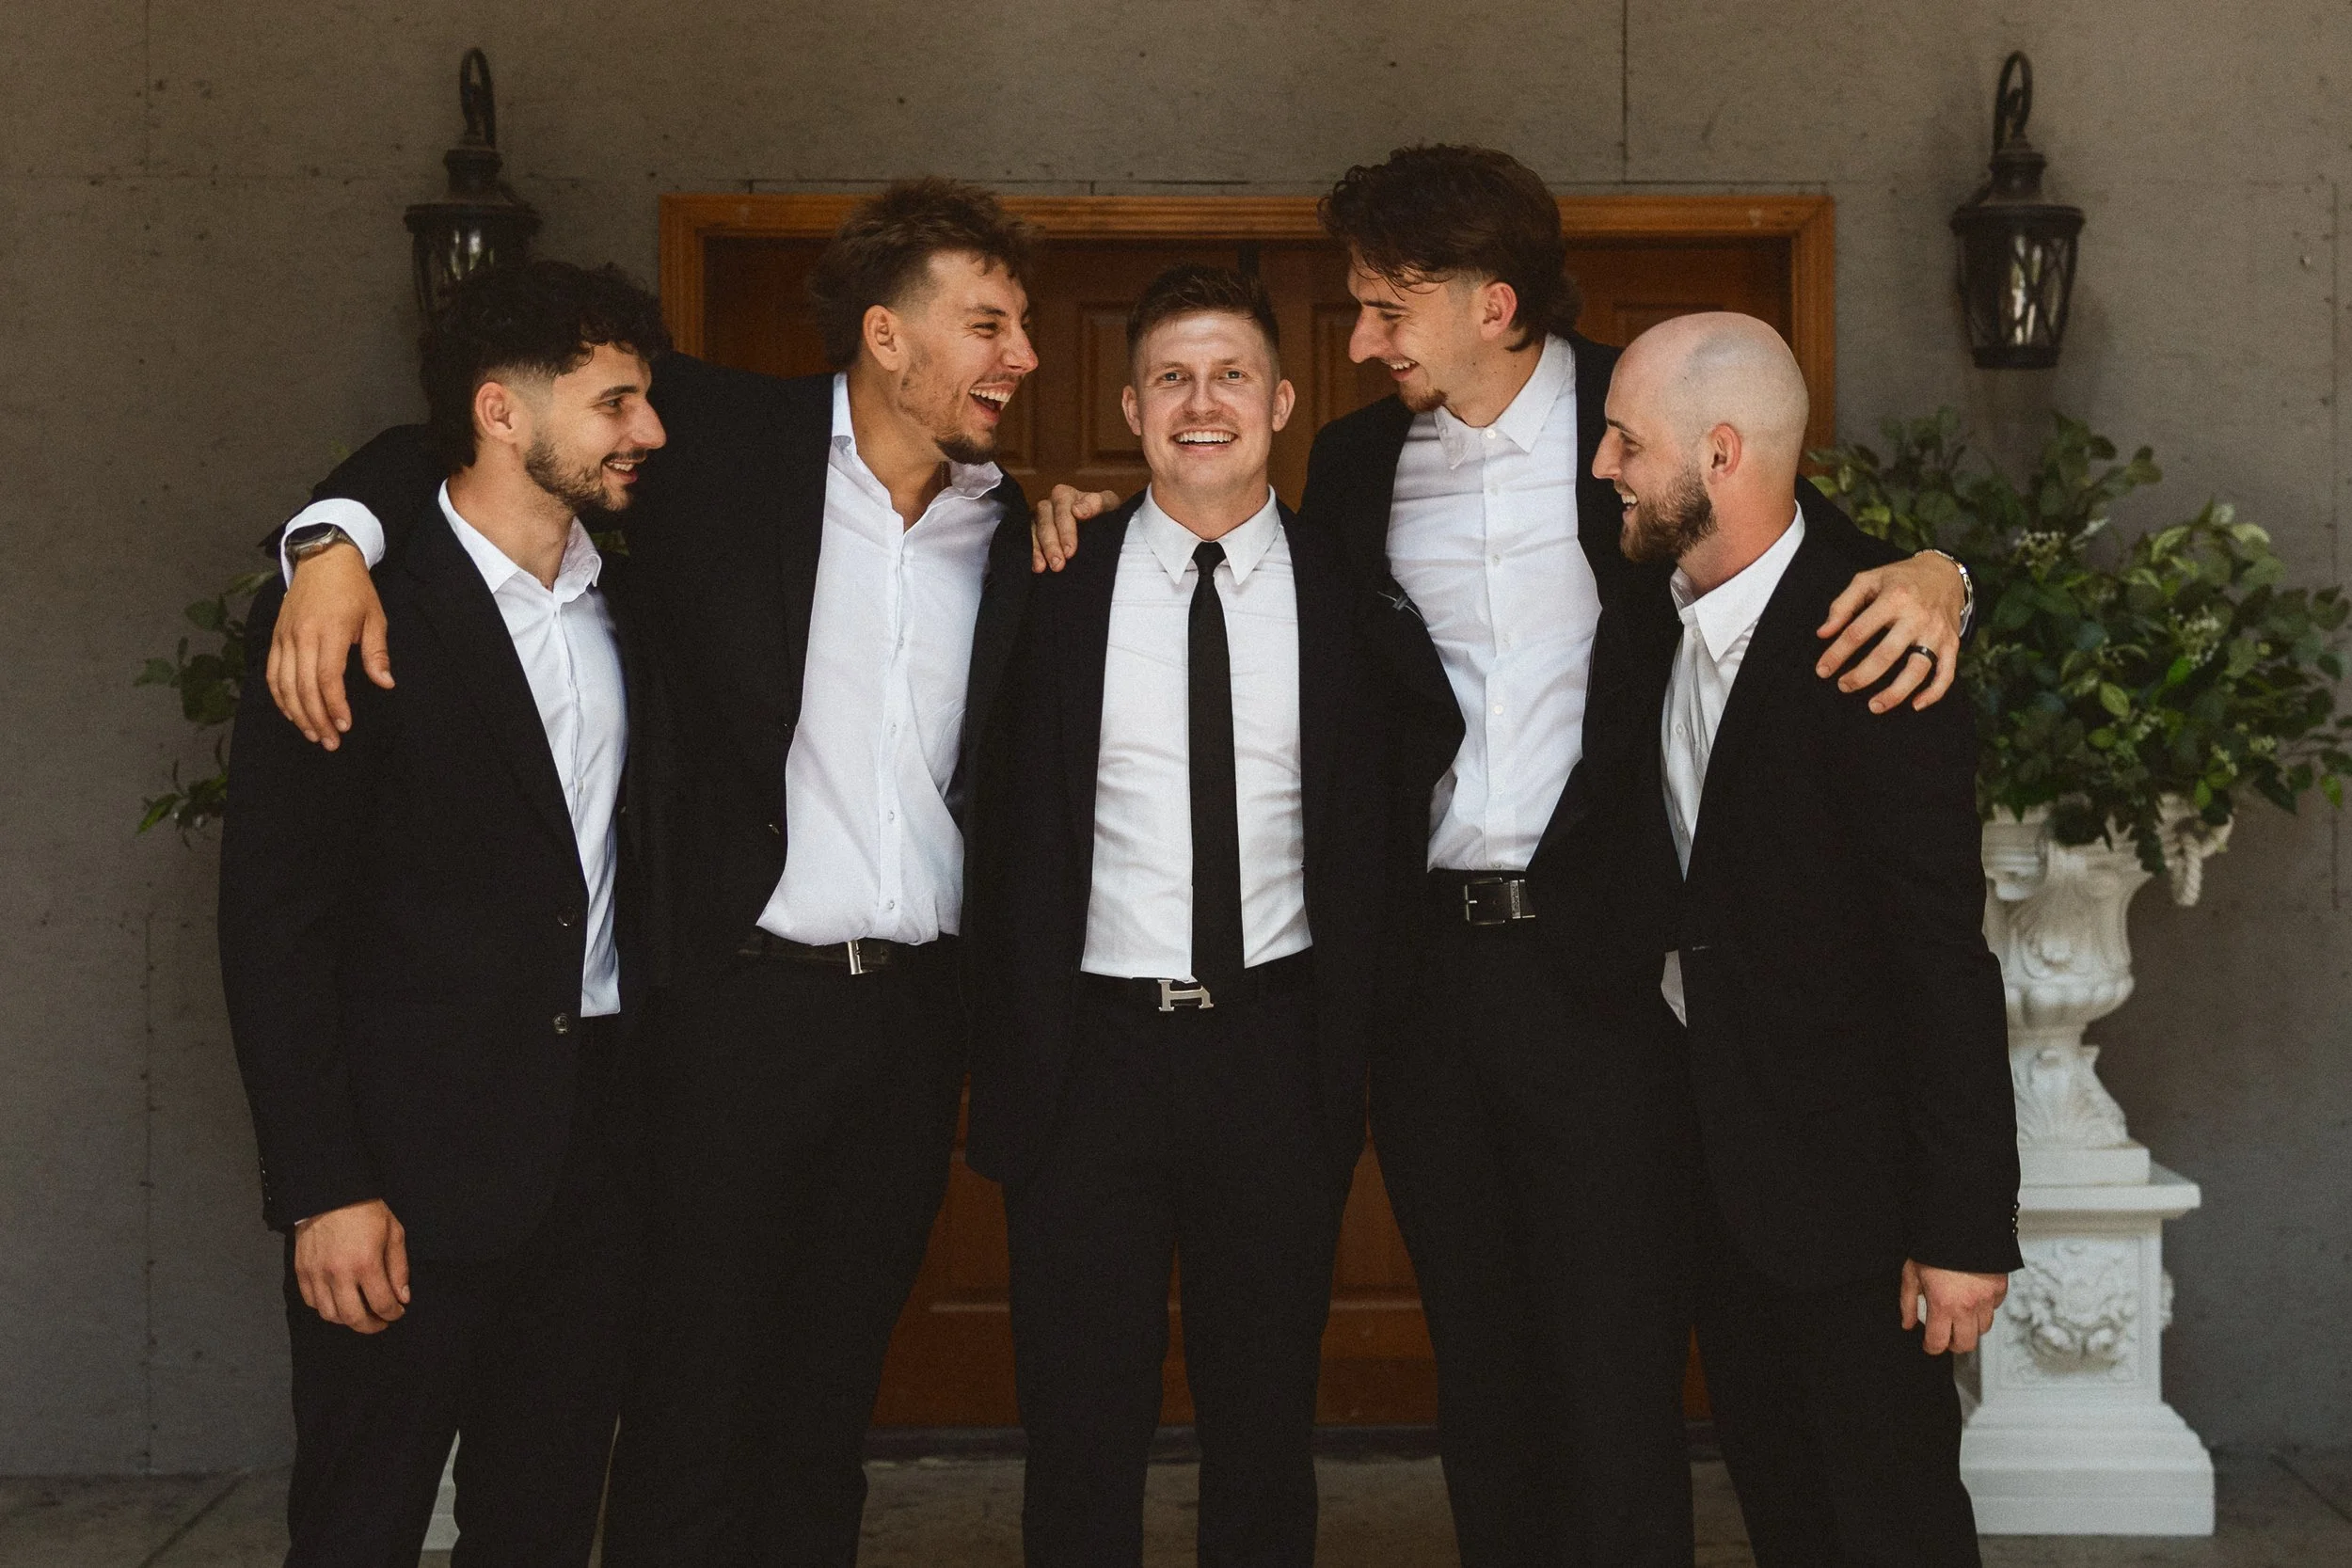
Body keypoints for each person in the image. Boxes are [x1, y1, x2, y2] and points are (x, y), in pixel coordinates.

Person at [1027, 143, 1979, 1565]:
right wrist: (1078, 509)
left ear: (1493, 301)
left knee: (1612, 1372)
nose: (1359, 339)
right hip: (1422, 983)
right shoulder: (1354, 466)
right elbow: (1226, 560)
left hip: (1601, 978)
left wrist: (1947, 572)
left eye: (1383, 307)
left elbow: (1788, 539)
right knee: (1481, 1373)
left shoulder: (1637, 416)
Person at [261, 180, 1041, 1565]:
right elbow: (460, 433)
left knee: (824, 1411)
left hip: (912, 1030)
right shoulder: (716, 443)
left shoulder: (1021, 526)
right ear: (886, 334)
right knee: (689, 1400)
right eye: (988, 324)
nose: (1022, 357)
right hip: (733, 1016)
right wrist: (328, 544)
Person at [219, 259, 670, 1565]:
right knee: (360, 1524)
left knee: (539, 1523)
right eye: (616, 402)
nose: (648, 432)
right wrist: (324, 1184)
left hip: (593, 1168)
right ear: (501, 412)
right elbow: (275, 918)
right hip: (402, 1179)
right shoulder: (351, 618)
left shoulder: (630, 603)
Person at [963, 264, 1389, 1567]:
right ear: (1133, 403)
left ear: (1283, 398)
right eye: (1172, 378)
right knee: (1080, 1427)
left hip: (1275, 1049)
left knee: (1266, 1429)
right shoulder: (1043, 575)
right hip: (1085, 1058)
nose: (1203, 404)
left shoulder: (1353, 588)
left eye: (1231, 376)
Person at [1585, 310, 2020, 1567]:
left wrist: (1964, 1230)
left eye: (1626, 440)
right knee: (1785, 1514)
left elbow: (1943, 954)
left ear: (1720, 456)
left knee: (1892, 1524)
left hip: (1857, 1202)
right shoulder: (1649, 593)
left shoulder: (1880, 642)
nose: (1602, 464)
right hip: (1717, 1183)